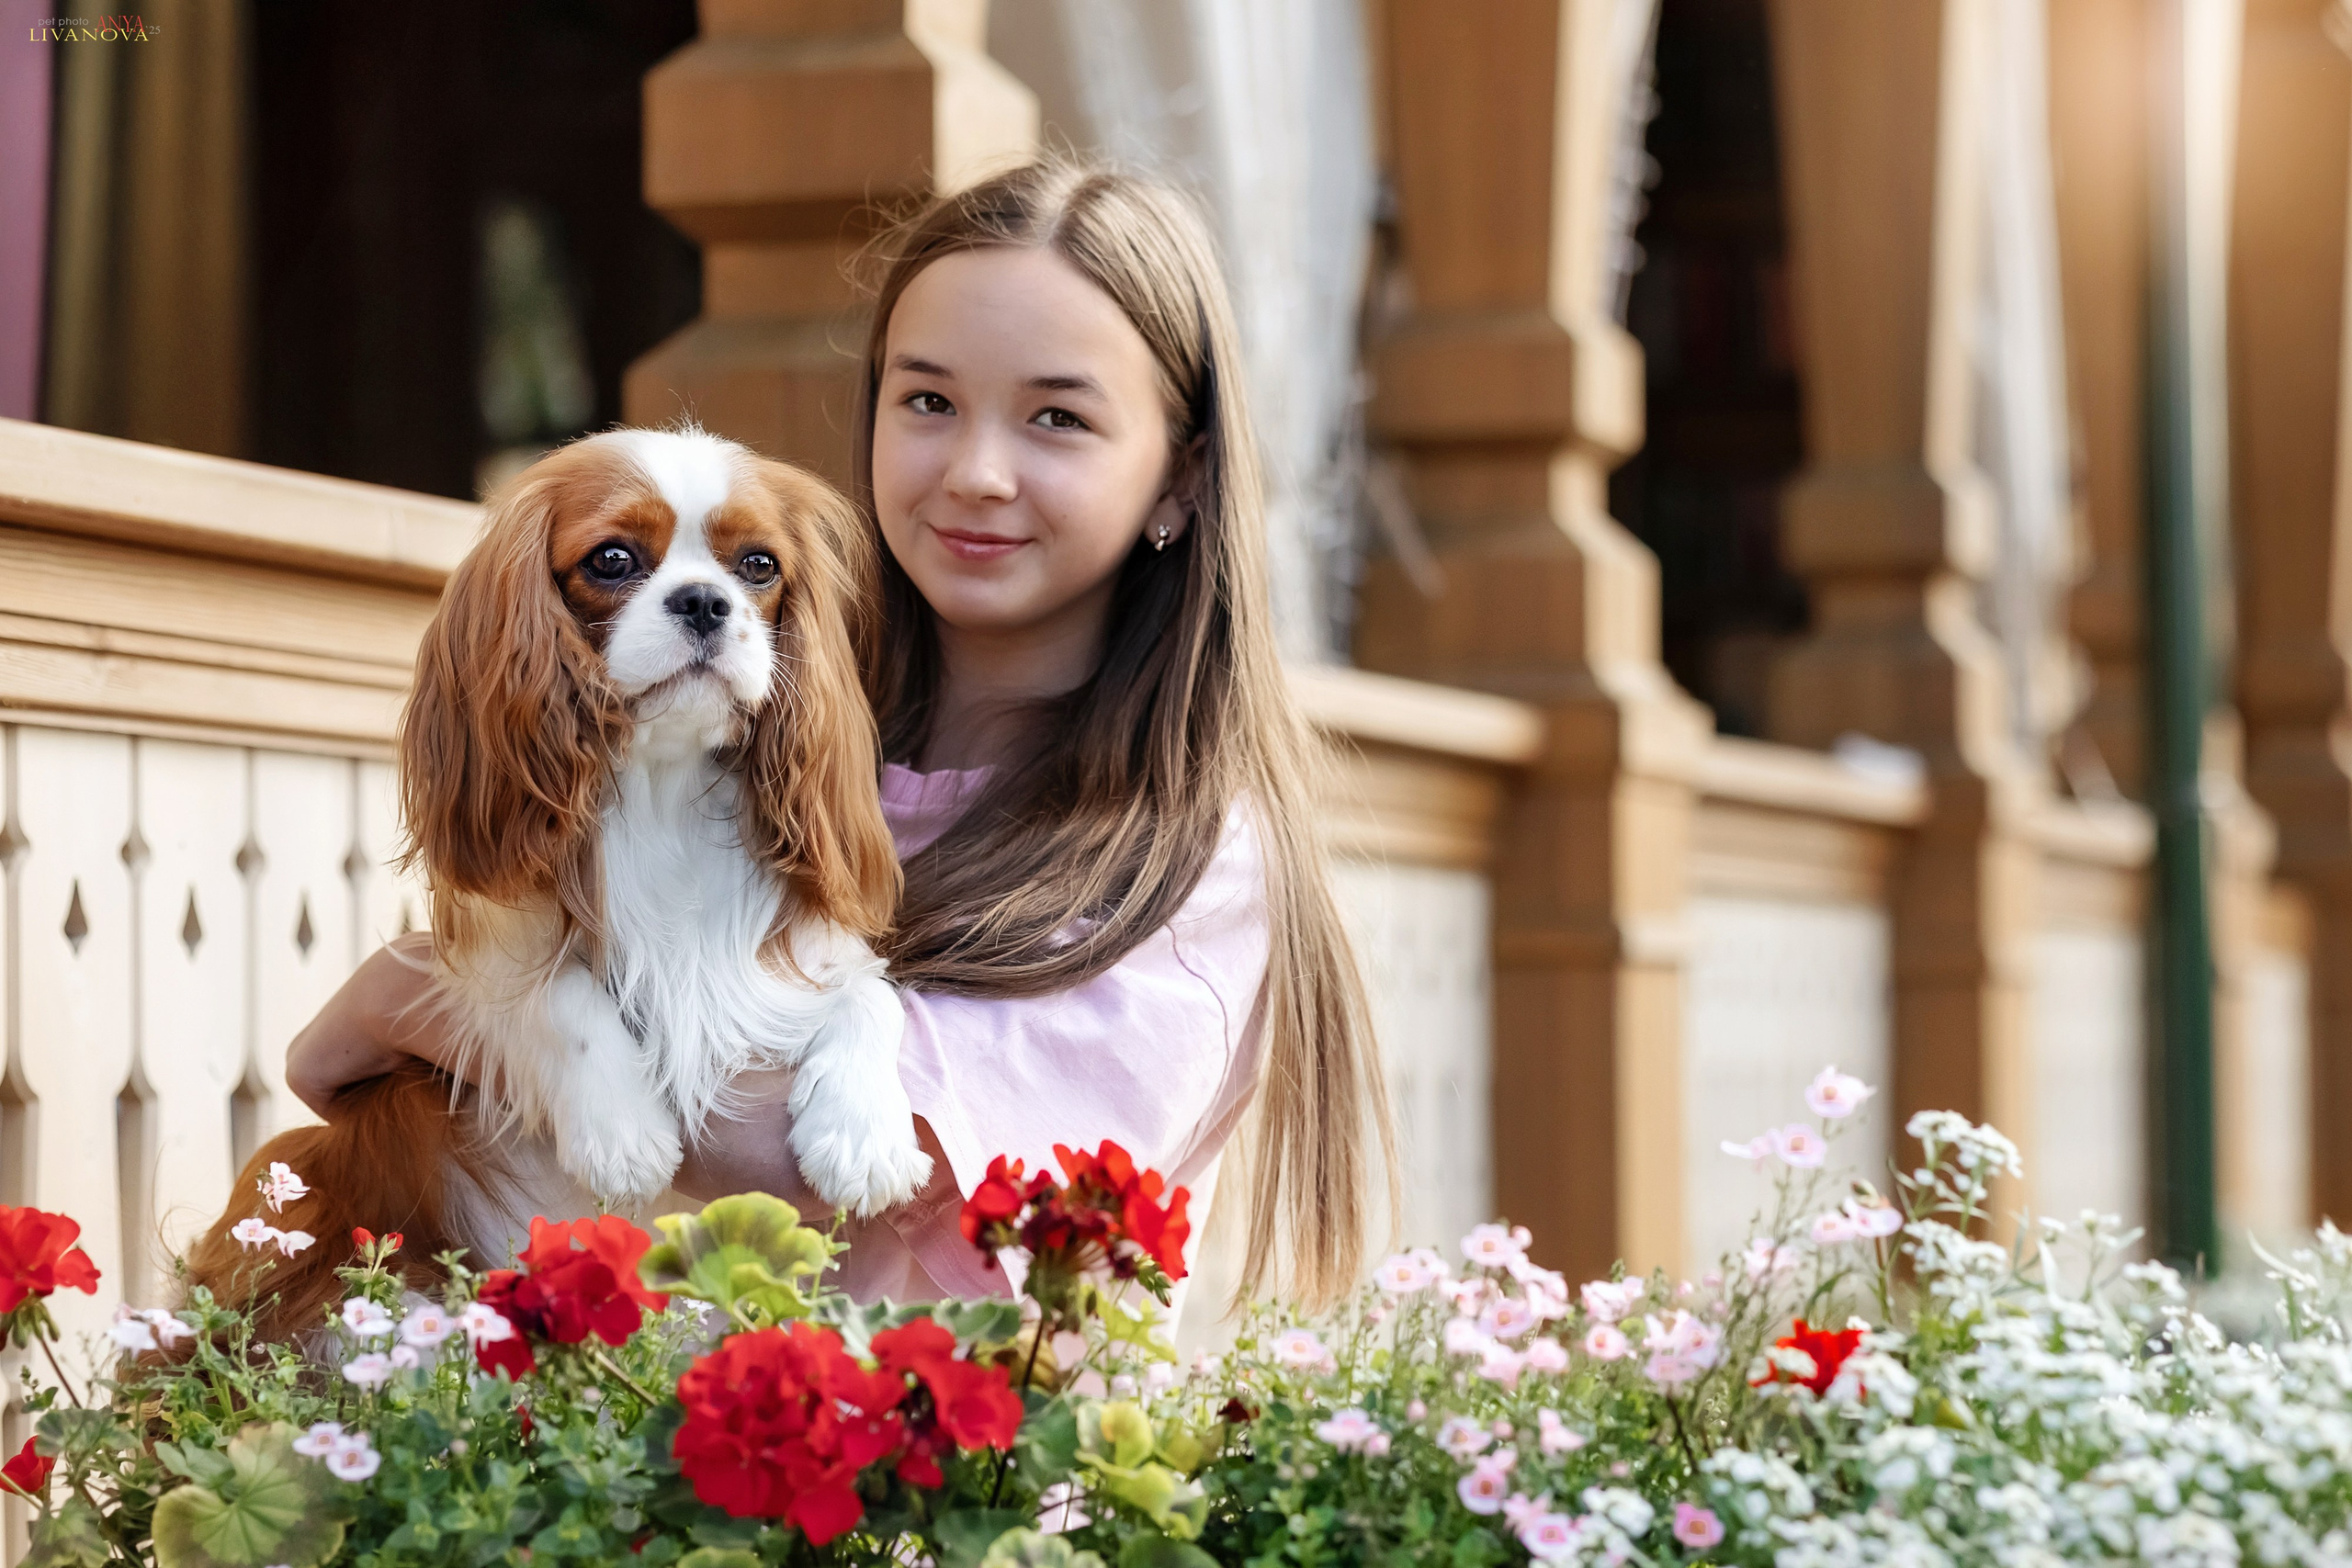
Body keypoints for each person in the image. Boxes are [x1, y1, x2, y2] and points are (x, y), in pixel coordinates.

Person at [284, 159, 1395, 1314]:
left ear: (1181, 478)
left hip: (955, 1424)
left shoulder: (1189, 862)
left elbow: (789, 1159)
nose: (977, 472)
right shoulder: (749, 726)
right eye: (928, 402)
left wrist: (418, 1000)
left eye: (1058, 418)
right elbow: (359, 1055)